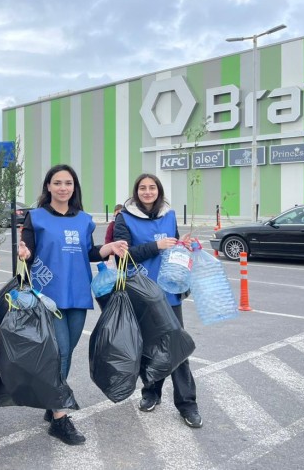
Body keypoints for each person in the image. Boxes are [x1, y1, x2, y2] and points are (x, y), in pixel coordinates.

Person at [17, 164, 128, 445]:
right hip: (48, 295)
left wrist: (109, 249)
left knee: (68, 350)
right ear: (48, 187)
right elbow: (27, 255)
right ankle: (59, 417)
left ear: (74, 188)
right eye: (57, 183)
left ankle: (51, 399)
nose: (63, 188)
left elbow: (89, 252)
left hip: (78, 294)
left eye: (68, 183)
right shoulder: (36, 217)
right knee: (61, 352)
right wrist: (24, 252)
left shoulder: (84, 220)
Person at [113, 173, 202, 428]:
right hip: (142, 292)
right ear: (136, 191)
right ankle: (151, 393)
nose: (148, 191)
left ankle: (188, 404)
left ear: (158, 190)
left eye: (152, 187)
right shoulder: (125, 218)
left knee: (177, 347)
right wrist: (157, 246)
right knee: (150, 347)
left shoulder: (169, 215)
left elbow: (172, 248)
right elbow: (122, 257)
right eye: (143, 187)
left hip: (169, 291)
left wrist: (183, 248)